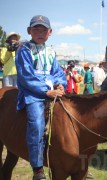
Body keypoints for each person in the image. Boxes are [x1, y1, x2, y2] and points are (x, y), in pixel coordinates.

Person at [15, 15, 67, 180]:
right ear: (29, 31)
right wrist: (46, 92)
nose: (40, 32)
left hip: (53, 91)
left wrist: (60, 84)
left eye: (43, 29)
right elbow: (26, 76)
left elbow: (57, 72)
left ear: (50, 32)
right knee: (37, 124)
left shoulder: (51, 51)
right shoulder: (24, 50)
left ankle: (71, 157)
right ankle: (37, 167)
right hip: (33, 93)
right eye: (36, 28)